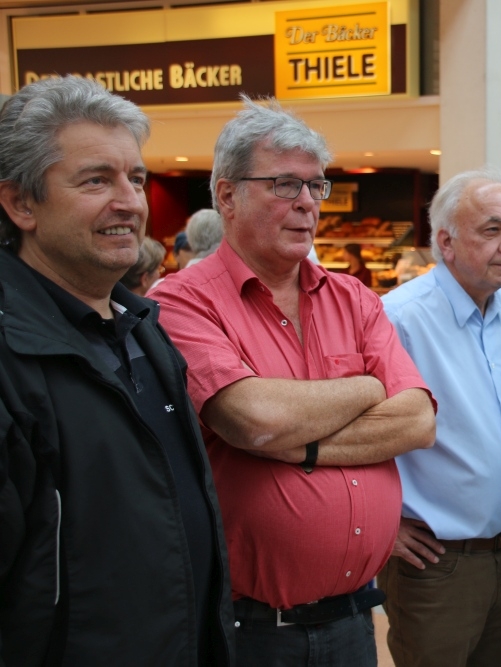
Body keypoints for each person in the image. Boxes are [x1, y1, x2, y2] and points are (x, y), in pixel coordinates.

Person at [150, 95, 436, 667]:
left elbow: (418, 421)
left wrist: (298, 446)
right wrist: (367, 388)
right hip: (252, 632)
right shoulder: (181, 302)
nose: (307, 202)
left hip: (353, 620)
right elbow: (255, 420)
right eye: (284, 184)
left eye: (315, 186)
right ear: (227, 195)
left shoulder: (352, 297)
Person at [0, 76, 234, 665]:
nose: (130, 202)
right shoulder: (13, 356)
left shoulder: (144, 328)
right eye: (96, 180)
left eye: (136, 178)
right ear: (20, 203)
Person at [379, 168, 501, 666]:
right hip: (436, 566)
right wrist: (382, 526)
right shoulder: (399, 318)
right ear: (447, 242)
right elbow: (355, 434)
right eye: (493, 230)